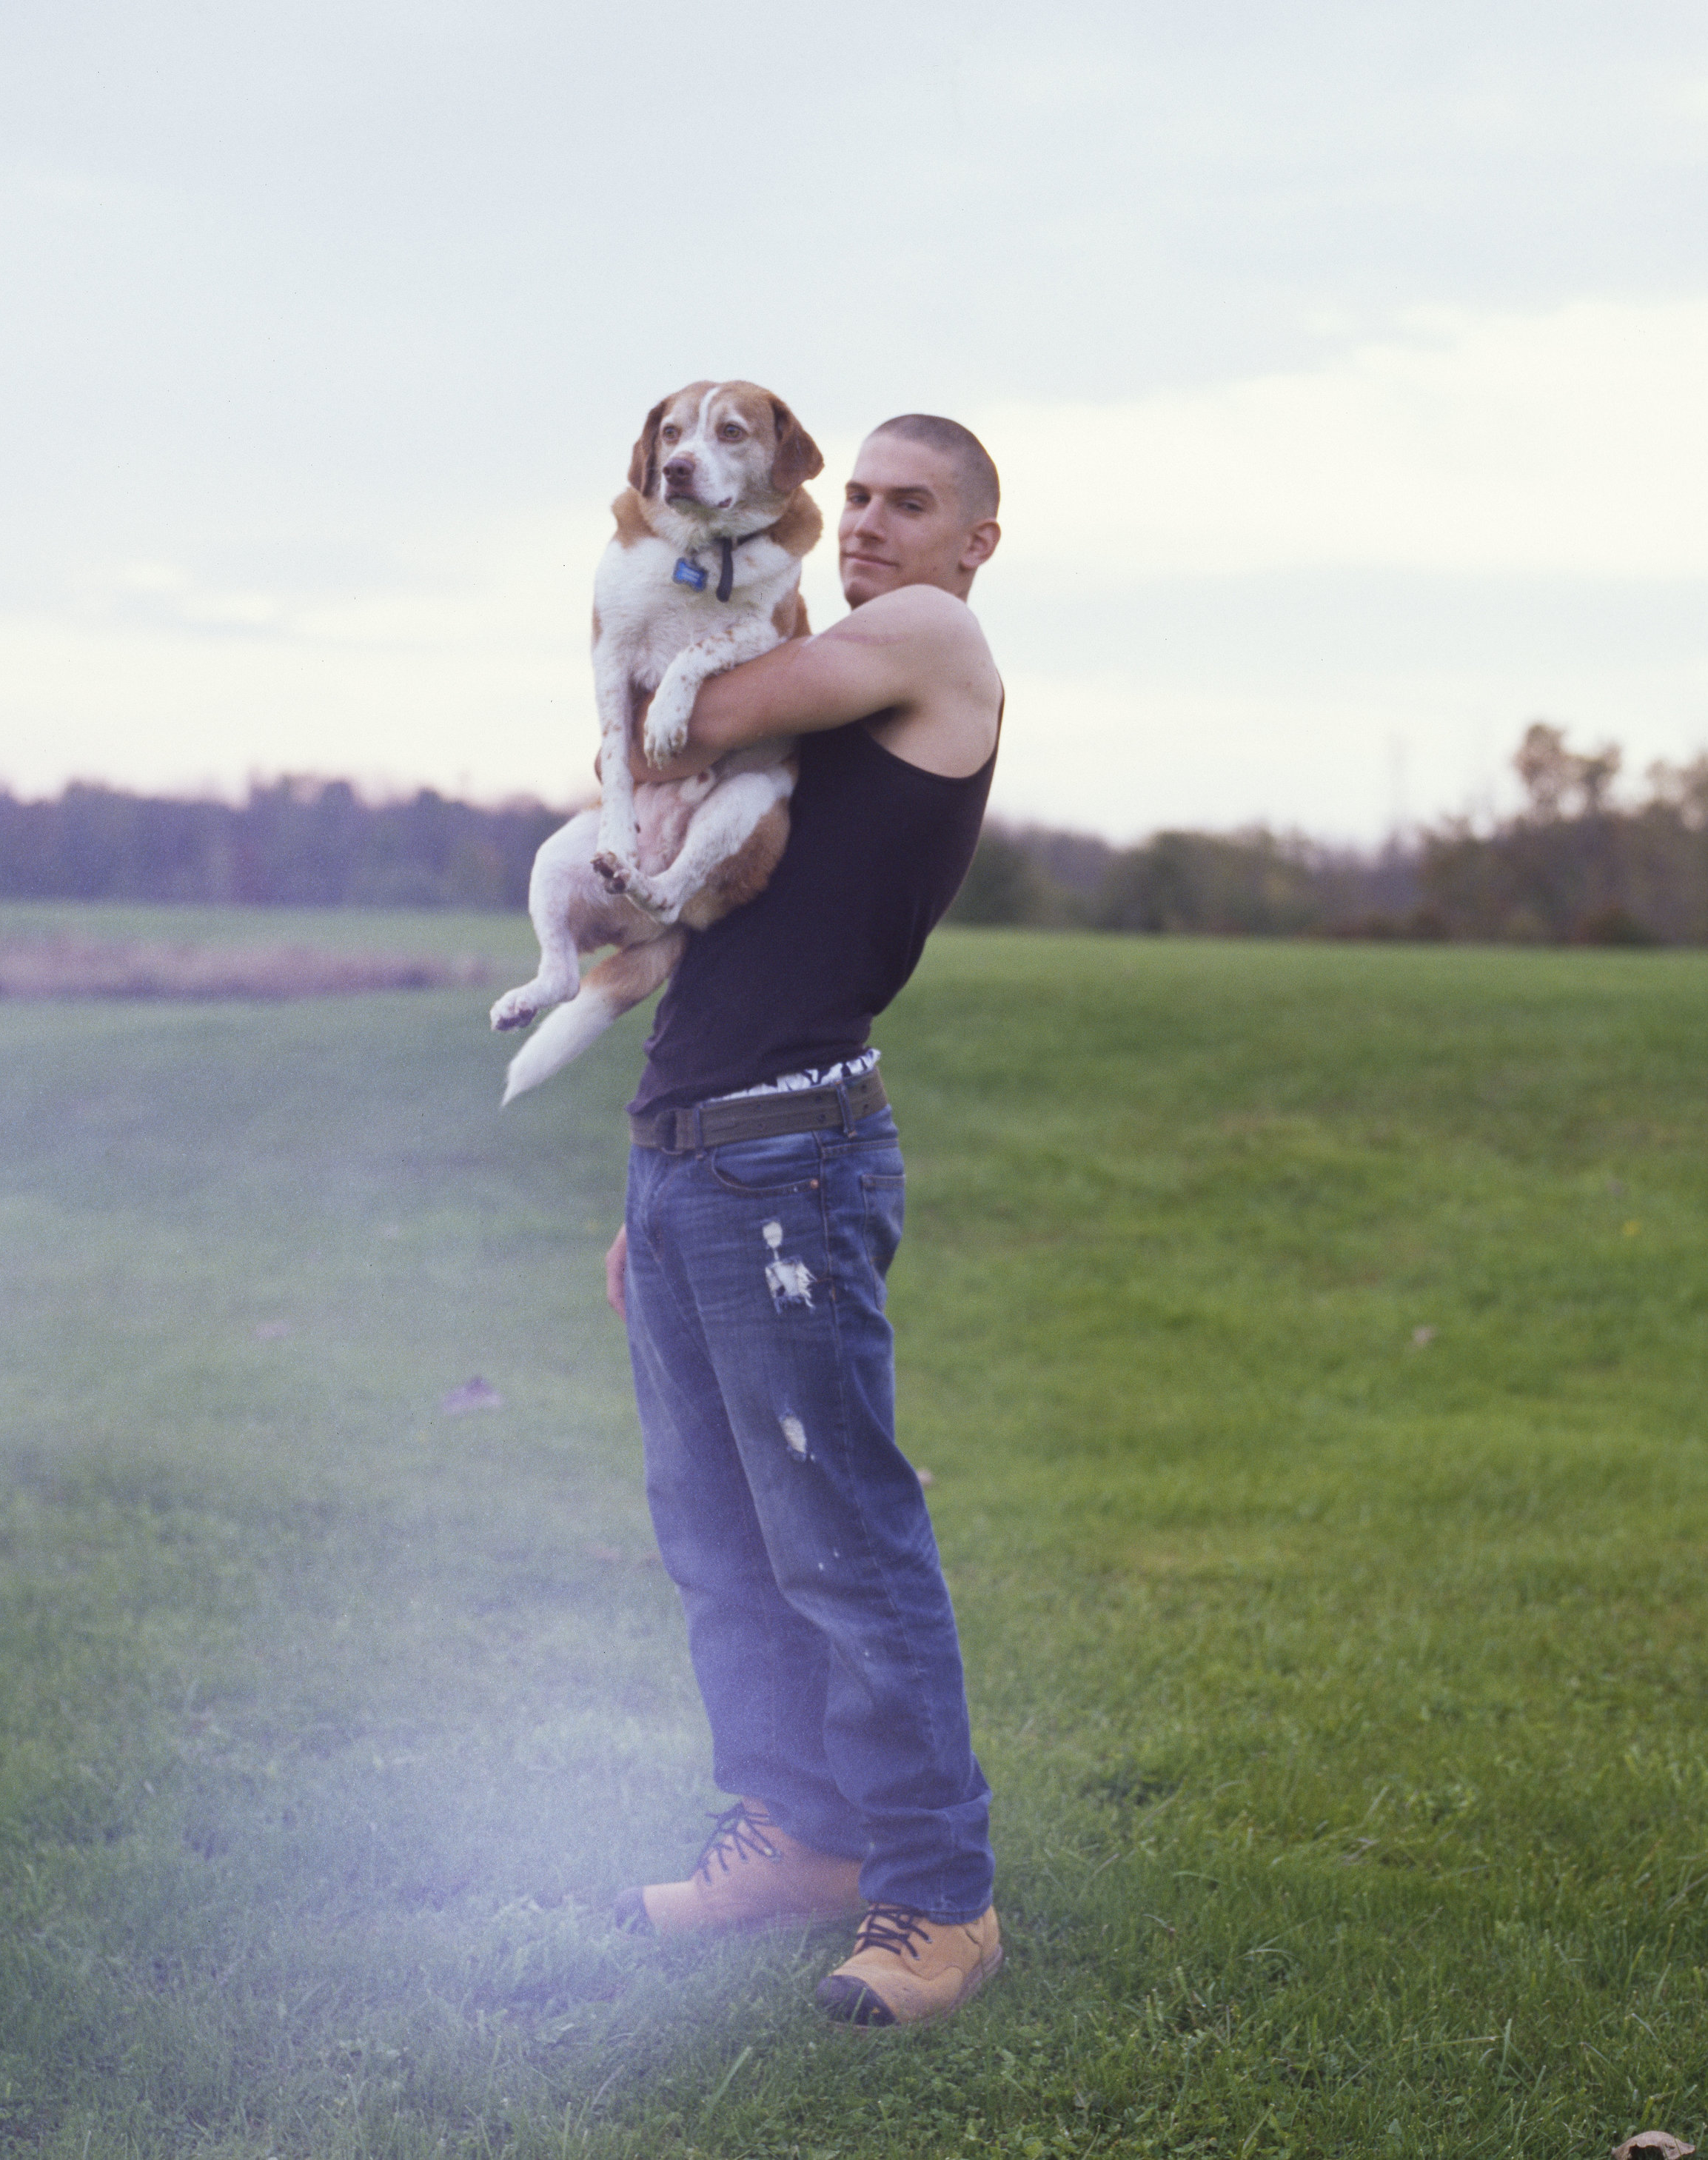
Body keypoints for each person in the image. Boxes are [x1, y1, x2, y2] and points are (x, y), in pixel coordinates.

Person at [603, 414, 1005, 2027]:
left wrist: (657, 586)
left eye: (911, 505)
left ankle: (938, 1901)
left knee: (840, 1541)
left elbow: (663, 720)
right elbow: (704, 942)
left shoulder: (925, 639)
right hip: (699, 1148)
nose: (866, 528)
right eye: (858, 504)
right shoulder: (829, 668)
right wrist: (647, 1166)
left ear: (977, 536)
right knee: (716, 1538)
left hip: (797, 1164)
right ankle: (797, 1836)